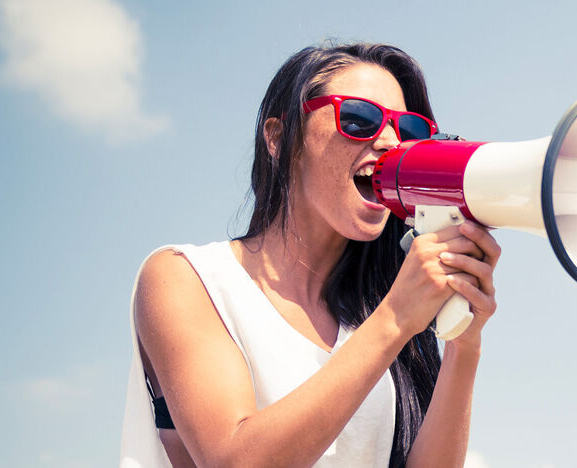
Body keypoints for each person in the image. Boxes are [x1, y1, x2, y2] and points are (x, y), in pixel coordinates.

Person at [119, 42, 501, 468]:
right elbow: (234, 459)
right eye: (359, 119)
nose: (392, 142)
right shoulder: (187, 279)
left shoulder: (376, 315)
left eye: (409, 130)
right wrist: (396, 318)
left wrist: (464, 344)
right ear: (279, 139)